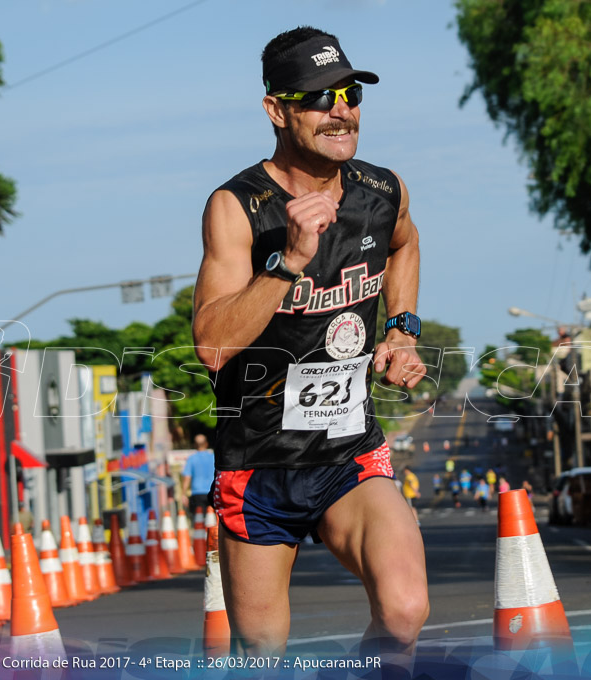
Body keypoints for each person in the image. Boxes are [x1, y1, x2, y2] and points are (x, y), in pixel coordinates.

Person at [192, 26, 427, 664]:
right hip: (260, 463)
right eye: (320, 98)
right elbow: (211, 346)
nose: (341, 109)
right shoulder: (238, 207)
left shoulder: (382, 192)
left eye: (350, 93)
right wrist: (288, 262)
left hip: (350, 454)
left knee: (405, 611)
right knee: (261, 651)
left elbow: (405, 243)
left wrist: (401, 330)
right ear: (278, 110)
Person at [182, 434, 216, 514]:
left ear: (195, 445)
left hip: (197, 493)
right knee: (213, 520)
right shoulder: (214, 457)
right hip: (213, 492)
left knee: (199, 520)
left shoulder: (191, 459)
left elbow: (187, 477)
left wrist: (183, 494)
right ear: (206, 443)